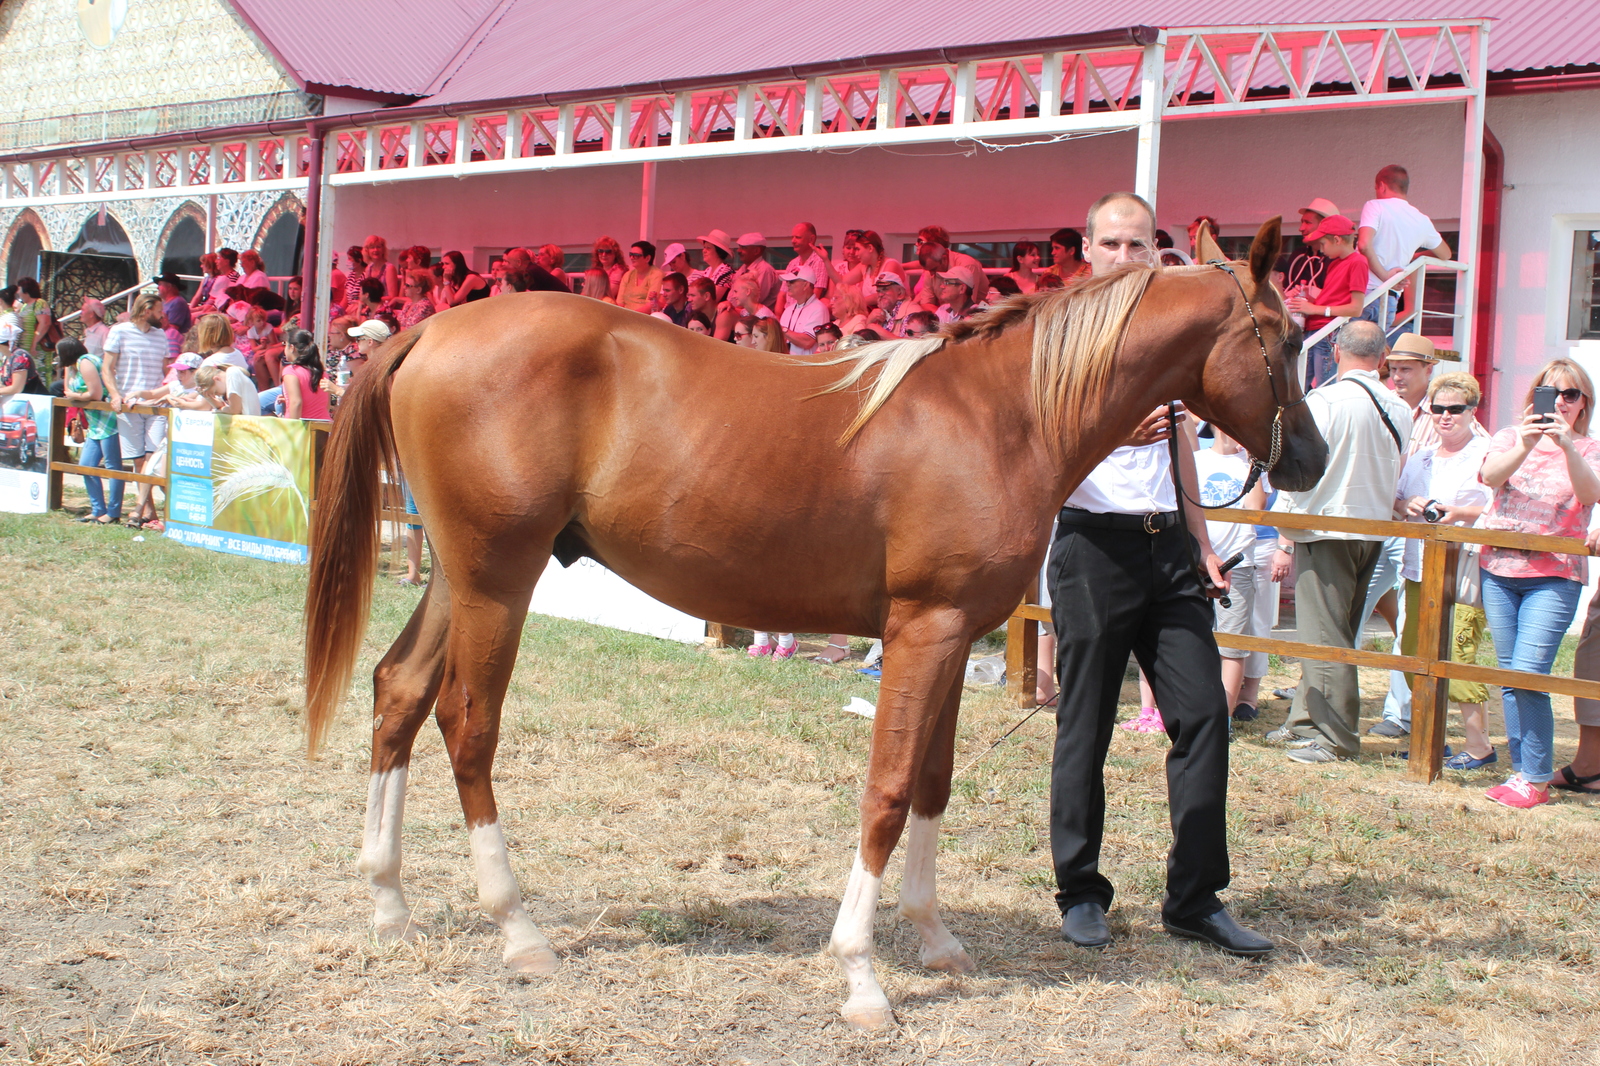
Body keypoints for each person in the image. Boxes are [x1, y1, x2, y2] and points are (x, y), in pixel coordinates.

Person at [1048, 190, 1270, 959]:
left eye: (1138, 244)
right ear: (1087, 249)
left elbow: (1177, 446)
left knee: (1204, 714)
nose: (1124, 256)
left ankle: (1196, 897)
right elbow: (1035, 453)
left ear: (1154, 251)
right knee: (1087, 723)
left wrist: (1202, 541)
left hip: (1169, 546)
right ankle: (1079, 892)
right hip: (1092, 550)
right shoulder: (1061, 335)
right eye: (1110, 243)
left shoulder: (1169, 334)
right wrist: (1109, 433)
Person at [1268, 319, 1410, 763]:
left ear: (1336, 351)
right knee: (1335, 631)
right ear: (1382, 358)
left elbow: (1301, 465)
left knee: (1325, 636)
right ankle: (1306, 722)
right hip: (1371, 529)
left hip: (1327, 526)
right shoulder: (1400, 406)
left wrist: (1285, 529)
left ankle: (1335, 738)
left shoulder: (1325, 399)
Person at [1476, 360, 1600, 809]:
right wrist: (1529, 441)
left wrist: (1566, 446)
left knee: (1529, 672)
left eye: (1571, 395)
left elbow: (1589, 495)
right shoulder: (1511, 436)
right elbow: (1491, 478)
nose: (1561, 402)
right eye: (1552, 393)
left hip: (1555, 574)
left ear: (1584, 403)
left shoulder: (1588, 448)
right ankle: (1524, 771)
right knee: (1511, 675)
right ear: (1534, 396)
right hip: (1498, 568)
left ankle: (1534, 777)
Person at [1388, 371, 1494, 767]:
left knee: (1459, 651)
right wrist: (1408, 506)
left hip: (1464, 562)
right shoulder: (1421, 457)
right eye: (1438, 409)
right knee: (1415, 649)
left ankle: (1479, 744)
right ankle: (1428, 734)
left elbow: (1500, 511)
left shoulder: (1487, 454)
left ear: (1472, 410)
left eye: (1455, 409)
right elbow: (1396, 500)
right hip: (1418, 566)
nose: (1445, 416)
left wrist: (1459, 513)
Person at [1195, 428, 1268, 719]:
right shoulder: (1196, 460)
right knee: (1192, 637)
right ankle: (1194, 710)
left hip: (1238, 565)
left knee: (1233, 644)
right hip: (1198, 562)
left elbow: (1256, 509)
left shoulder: (1250, 464)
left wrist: (1253, 464)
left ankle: (1221, 719)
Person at [103, 294, 171, 531]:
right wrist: (114, 394)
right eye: (159, 310)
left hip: (154, 405)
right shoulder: (119, 332)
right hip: (128, 404)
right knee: (138, 459)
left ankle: (139, 509)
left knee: (151, 458)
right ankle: (147, 509)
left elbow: (166, 369)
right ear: (146, 310)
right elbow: (107, 368)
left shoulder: (161, 335)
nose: (163, 315)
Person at [1358, 165, 1451, 333]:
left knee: (1345, 352)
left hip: (1363, 292)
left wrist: (1385, 276)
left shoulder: (1375, 206)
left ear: (1382, 186)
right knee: (1373, 354)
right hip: (1390, 299)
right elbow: (1446, 254)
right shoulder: (1421, 219)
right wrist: (1417, 255)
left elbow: (1364, 244)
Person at [1284, 215, 1367, 389]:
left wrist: (1314, 308)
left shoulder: (1358, 262)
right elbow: (1334, 297)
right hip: (1316, 329)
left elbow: (1356, 308)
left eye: (1323, 244)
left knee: (1325, 385)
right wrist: (1309, 300)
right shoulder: (1336, 263)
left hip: (1329, 332)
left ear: (1337, 240)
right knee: (1297, 382)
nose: (1321, 249)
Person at [59, 337, 123, 524]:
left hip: (107, 420)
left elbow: (95, 394)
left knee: (113, 468)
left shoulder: (86, 362)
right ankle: (98, 509)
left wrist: (75, 396)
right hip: (95, 423)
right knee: (86, 465)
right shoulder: (75, 366)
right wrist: (67, 371)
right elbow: (66, 389)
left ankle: (113, 512)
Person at [1279, 197, 1341, 321]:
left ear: (1325, 225)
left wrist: (1318, 295)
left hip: (1325, 326)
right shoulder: (1298, 255)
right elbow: (1285, 288)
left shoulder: (1339, 258)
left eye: (1307, 223)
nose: (1301, 228)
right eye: (1302, 222)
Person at [912, 226, 989, 309]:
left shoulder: (967, 265)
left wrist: (945, 318)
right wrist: (941, 317)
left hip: (978, 317)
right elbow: (926, 303)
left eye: (933, 269)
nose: (931, 274)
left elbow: (967, 305)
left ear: (944, 258)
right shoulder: (931, 267)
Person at [323, 319, 390, 403]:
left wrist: (337, 390)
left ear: (370, 342)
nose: (356, 342)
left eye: (359, 338)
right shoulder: (378, 364)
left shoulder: (378, 367)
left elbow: (367, 400)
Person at [278, 330, 331, 421]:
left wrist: (293, 429)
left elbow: (296, 403)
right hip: (323, 427)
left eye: (285, 344)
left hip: (304, 428)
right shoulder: (321, 372)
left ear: (291, 347)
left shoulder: (290, 371)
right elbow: (326, 404)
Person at [777, 266, 828, 353]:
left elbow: (807, 342)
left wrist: (782, 329)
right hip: (786, 363)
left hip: (806, 365)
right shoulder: (788, 310)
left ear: (806, 285)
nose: (787, 284)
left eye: (792, 281)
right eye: (787, 281)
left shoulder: (819, 309)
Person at [783, 222, 830, 303]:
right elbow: (782, 293)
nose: (793, 241)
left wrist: (800, 312)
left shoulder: (819, 261)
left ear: (811, 239)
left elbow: (816, 294)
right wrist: (778, 314)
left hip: (806, 312)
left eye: (798, 237)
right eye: (792, 237)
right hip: (788, 312)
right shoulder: (792, 263)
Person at [734, 233, 781, 308]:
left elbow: (753, 300)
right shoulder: (742, 269)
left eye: (743, 247)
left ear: (756, 251)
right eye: (739, 247)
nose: (738, 251)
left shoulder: (764, 270)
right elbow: (732, 297)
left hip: (759, 318)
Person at [617, 241, 664, 314]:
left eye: (636, 255)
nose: (632, 257)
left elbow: (650, 306)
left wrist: (631, 316)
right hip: (625, 318)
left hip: (644, 319)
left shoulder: (656, 275)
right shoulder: (628, 275)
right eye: (631, 254)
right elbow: (620, 303)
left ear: (647, 258)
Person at [693, 230, 736, 300]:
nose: (704, 250)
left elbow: (713, 299)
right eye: (704, 247)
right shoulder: (707, 270)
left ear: (719, 251)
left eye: (708, 248)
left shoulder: (726, 271)